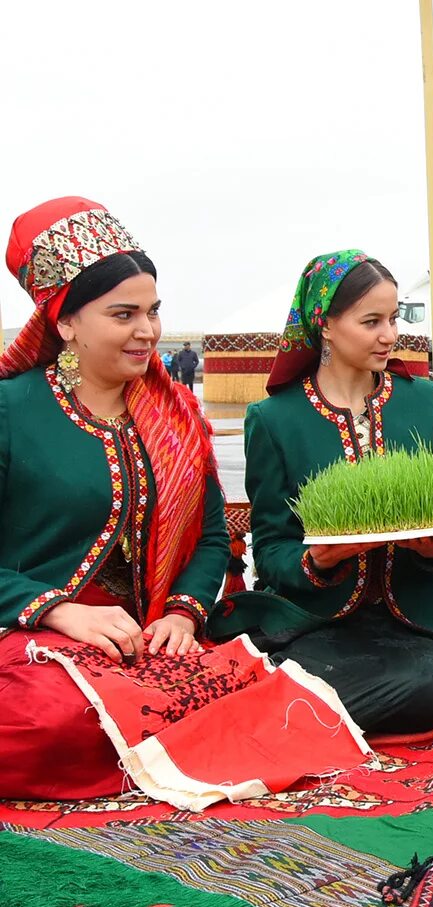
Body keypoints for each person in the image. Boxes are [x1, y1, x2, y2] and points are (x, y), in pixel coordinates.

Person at [0, 199, 225, 796]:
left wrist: (182, 611)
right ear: (65, 322)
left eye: (153, 312)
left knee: (234, 687)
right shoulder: (10, 411)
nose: (148, 331)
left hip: (148, 638)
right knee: (57, 719)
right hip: (29, 635)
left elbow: (210, 536)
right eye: (124, 314)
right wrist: (57, 610)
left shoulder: (175, 415)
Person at [208, 250, 433, 734]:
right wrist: (319, 562)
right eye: (371, 320)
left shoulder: (424, 401)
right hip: (319, 624)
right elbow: (271, 549)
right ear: (326, 325)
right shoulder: (274, 420)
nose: (390, 335)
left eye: (394, 318)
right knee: (314, 674)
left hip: (411, 624)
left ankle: (283, 721)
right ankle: (290, 717)